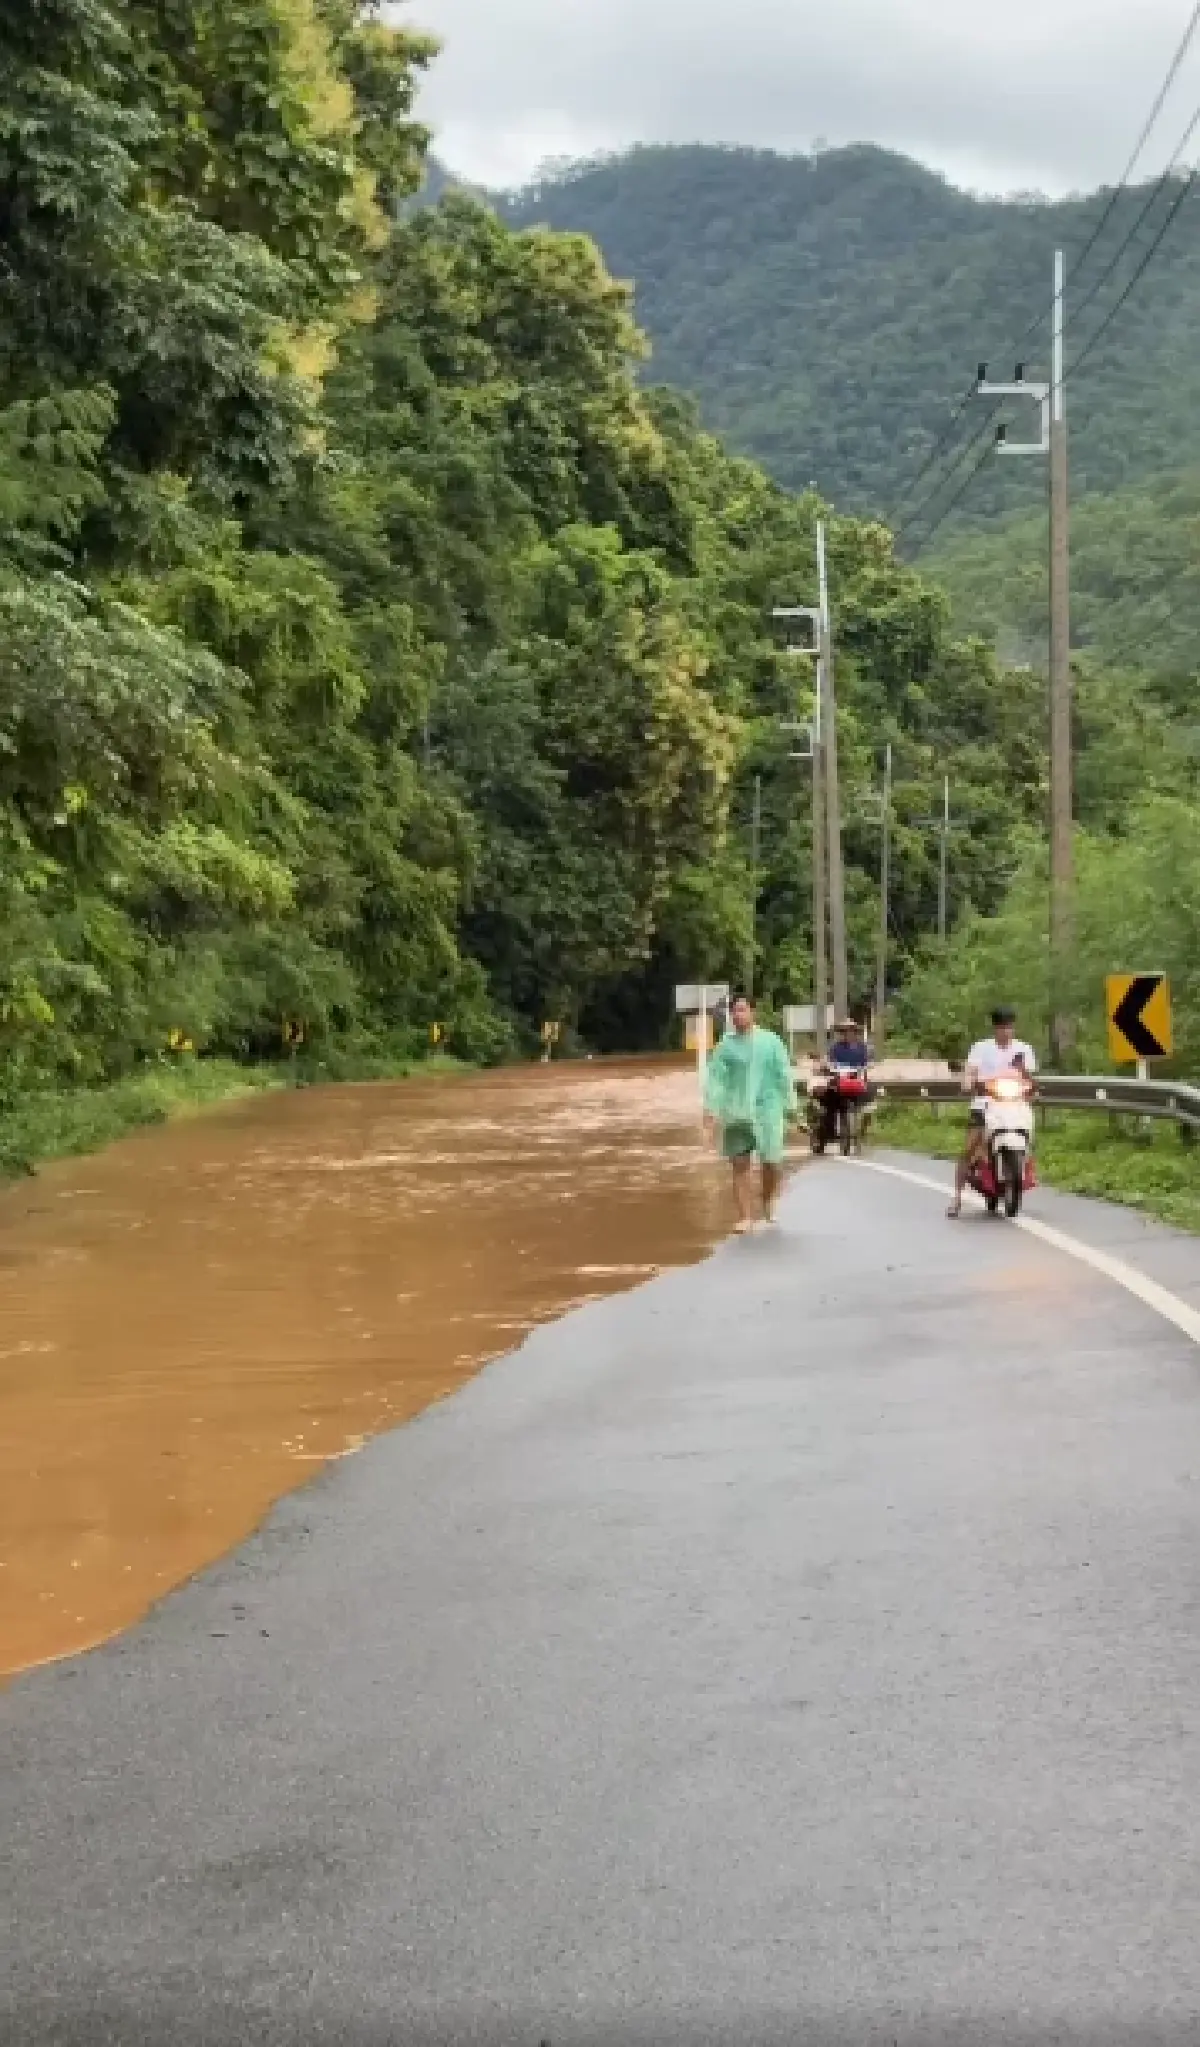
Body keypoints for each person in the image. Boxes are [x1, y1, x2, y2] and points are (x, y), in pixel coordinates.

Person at [703, 993, 796, 1233]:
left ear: (753, 1012)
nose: (738, 1015)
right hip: (736, 1111)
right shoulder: (725, 1046)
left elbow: (784, 1074)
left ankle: (767, 1199)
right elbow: (716, 1080)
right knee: (740, 1164)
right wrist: (711, 1110)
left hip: (768, 1109)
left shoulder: (771, 1041)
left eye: (742, 1010)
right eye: (734, 1011)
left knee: (772, 1163)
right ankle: (745, 1216)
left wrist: (791, 1106)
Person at [947, 1004, 1038, 1218]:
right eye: (1001, 1027)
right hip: (985, 1102)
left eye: (1009, 1027)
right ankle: (956, 1197)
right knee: (969, 1148)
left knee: (1027, 1130)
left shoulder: (1023, 1049)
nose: (1006, 1031)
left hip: (1014, 1104)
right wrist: (968, 1082)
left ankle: (1023, 1168)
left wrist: (1031, 1084)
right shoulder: (981, 1048)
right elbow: (971, 1071)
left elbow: (1029, 1076)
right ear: (994, 1028)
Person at [815, 1016, 874, 1148]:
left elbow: (868, 1062)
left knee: (870, 1096)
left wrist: (866, 1067)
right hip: (839, 1080)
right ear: (841, 1033)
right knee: (829, 1100)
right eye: (844, 1031)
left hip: (856, 1081)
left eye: (851, 1030)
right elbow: (829, 1061)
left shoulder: (862, 1048)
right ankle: (826, 1132)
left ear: (855, 1032)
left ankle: (863, 1130)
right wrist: (828, 1066)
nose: (848, 1033)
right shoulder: (835, 1048)